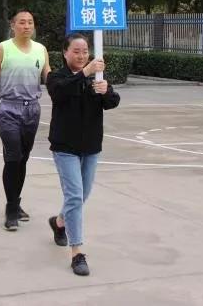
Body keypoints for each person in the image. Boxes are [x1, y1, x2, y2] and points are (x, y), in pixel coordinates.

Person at [46, 34, 120, 276]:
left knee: (82, 194)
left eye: (85, 51)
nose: (81, 56)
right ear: (65, 52)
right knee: (75, 196)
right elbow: (60, 93)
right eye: (76, 51)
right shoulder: (57, 77)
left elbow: (112, 102)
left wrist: (106, 91)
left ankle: (59, 222)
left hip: (91, 146)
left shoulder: (96, 78)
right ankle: (77, 252)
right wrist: (85, 72)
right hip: (65, 147)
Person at [0, 9, 50, 231]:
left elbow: (49, 77)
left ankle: (16, 201)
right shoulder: (3, 48)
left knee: (22, 159)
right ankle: (11, 209)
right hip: (9, 108)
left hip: (32, 110)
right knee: (12, 157)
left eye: (30, 22)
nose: (26, 26)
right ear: (13, 25)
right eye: (22, 22)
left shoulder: (41, 50)